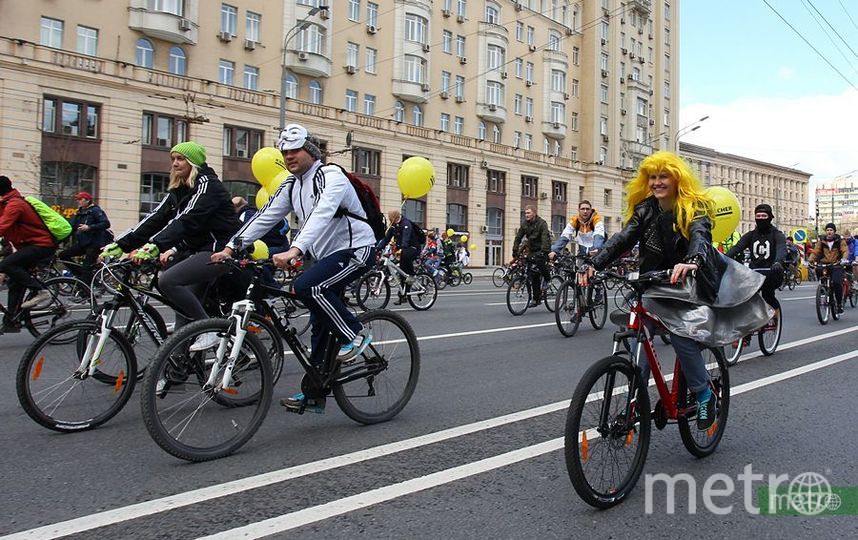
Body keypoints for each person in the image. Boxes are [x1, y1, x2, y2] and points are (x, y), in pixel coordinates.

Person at [579, 151, 771, 430]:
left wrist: (692, 261)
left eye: (663, 176)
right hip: (655, 280)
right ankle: (635, 398)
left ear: (677, 178)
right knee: (637, 336)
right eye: (652, 177)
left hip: (691, 281)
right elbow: (623, 239)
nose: (657, 182)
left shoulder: (694, 207)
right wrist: (594, 263)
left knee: (682, 333)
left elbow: (700, 237)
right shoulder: (645, 208)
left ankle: (704, 392)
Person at [212, 124, 376, 414]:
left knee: (307, 287)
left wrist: (295, 249)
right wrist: (231, 247)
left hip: (356, 249)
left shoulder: (331, 176)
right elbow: (265, 217)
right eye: (285, 152)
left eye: (295, 150)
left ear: (311, 151)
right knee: (318, 324)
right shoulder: (291, 184)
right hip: (326, 256)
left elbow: (322, 213)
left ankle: (354, 334)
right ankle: (314, 393)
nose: (289, 157)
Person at [101, 141, 241, 350]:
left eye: (180, 158)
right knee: (183, 311)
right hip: (198, 249)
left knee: (169, 281)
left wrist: (155, 245)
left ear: (193, 161)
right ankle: (175, 370)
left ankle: (210, 331)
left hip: (221, 250)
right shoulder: (180, 189)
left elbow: (187, 219)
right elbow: (155, 218)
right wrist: (121, 245)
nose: (175, 163)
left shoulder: (208, 185)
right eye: (173, 159)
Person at [0, 176, 56, 332]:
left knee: (6, 265)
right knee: (14, 282)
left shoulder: (15, 204)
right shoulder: (6, 203)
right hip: (28, 245)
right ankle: (12, 321)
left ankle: (40, 291)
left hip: (41, 244)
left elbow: (2, 226)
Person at [725, 204, 786, 313]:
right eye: (758, 216)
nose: (761, 218)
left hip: (772, 272)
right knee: (746, 297)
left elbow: (781, 249)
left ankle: (776, 318)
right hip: (754, 273)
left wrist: (777, 262)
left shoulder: (777, 235)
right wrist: (723, 258)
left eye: (764, 216)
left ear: (770, 217)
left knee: (768, 296)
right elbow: (737, 247)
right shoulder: (750, 235)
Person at [57, 191, 111, 287]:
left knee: (87, 267)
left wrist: (89, 227)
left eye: (80, 199)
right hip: (83, 243)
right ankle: (82, 276)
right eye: (77, 199)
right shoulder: (79, 212)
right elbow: (71, 228)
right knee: (63, 255)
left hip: (95, 243)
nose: (78, 201)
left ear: (87, 200)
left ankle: (86, 290)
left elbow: (106, 223)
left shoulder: (95, 211)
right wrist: (57, 241)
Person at [378, 209, 423, 304]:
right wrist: (378, 248)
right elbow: (386, 239)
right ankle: (403, 296)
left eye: (390, 217)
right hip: (402, 250)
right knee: (402, 273)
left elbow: (405, 238)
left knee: (405, 256)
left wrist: (402, 246)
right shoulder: (393, 226)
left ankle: (412, 274)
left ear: (394, 217)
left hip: (413, 248)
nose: (389, 219)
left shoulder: (406, 224)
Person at [511, 205, 551, 307]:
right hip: (532, 250)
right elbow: (518, 237)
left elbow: (545, 238)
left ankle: (547, 279)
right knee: (532, 275)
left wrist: (544, 251)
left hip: (542, 249)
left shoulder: (542, 223)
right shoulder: (525, 224)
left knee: (540, 263)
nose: (526, 215)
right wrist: (515, 250)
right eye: (525, 213)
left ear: (534, 213)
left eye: (528, 213)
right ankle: (535, 299)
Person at [808, 223, 850, 314]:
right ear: (825, 231)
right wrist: (810, 260)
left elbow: (845, 251)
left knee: (837, 282)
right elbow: (815, 252)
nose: (829, 232)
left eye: (831, 230)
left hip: (836, 264)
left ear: (834, 231)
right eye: (827, 230)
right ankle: (824, 290)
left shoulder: (840, 241)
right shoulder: (821, 241)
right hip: (824, 264)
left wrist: (843, 259)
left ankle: (839, 304)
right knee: (820, 272)